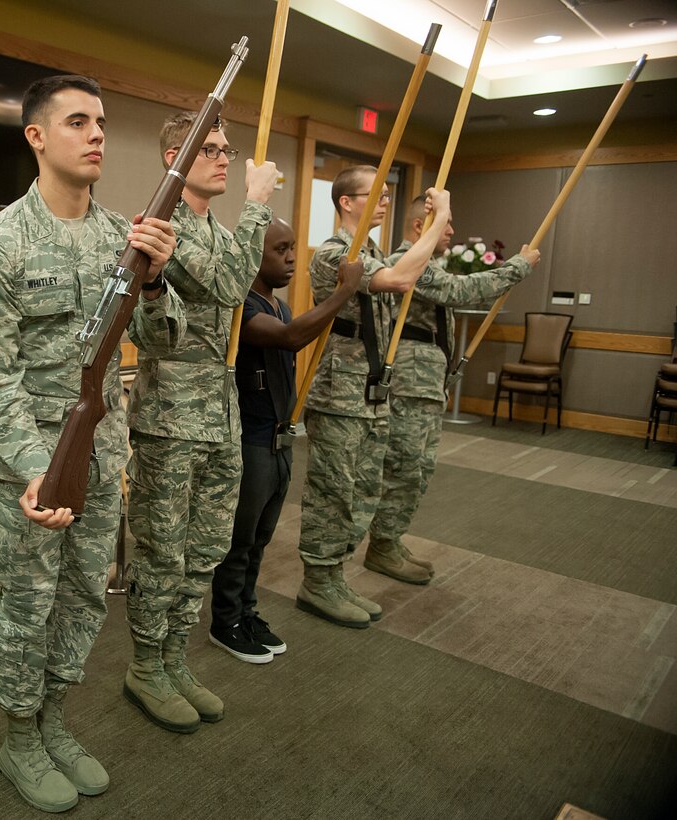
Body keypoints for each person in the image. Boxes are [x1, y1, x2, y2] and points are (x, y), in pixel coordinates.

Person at [0, 74, 184, 814]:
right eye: (78, 121)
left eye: (102, 123)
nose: (96, 136)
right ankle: (20, 737)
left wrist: (156, 280)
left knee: (86, 596)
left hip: (100, 453)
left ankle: (55, 719)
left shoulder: (128, 238)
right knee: (29, 603)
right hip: (32, 467)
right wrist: (34, 470)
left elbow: (167, 341)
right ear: (36, 136)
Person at [123, 112, 279, 731]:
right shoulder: (161, 227)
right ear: (174, 158)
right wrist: (258, 203)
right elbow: (234, 284)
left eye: (225, 150)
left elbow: (234, 273)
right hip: (170, 415)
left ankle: (173, 658)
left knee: (205, 548)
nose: (222, 159)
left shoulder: (216, 229)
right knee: (162, 550)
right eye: (208, 149)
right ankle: (144, 666)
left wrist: (248, 216)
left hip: (220, 411)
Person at [296, 165, 451, 630]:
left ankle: (336, 573)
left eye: (387, 195)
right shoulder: (335, 253)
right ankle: (317, 580)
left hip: (373, 394)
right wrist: (439, 219)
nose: (385, 202)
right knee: (332, 493)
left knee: (363, 492)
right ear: (347, 202)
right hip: (339, 396)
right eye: (375, 195)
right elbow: (400, 279)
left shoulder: (372, 252)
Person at [209, 217, 364, 662]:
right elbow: (291, 339)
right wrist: (343, 292)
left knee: (260, 540)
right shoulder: (243, 307)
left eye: (293, 247)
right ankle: (225, 621)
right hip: (251, 441)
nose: (292, 257)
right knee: (239, 541)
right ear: (253, 256)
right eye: (280, 250)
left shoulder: (279, 305)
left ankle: (246, 612)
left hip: (280, 439)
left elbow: (295, 331)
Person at [364, 195, 540, 583]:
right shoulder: (405, 262)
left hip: (427, 381)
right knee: (404, 467)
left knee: (420, 468)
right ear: (419, 226)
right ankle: (382, 546)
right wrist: (517, 267)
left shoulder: (428, 263)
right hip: (410, 383)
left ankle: (390, 538)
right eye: (446, 224)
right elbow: (459, 291)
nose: (452, 231)